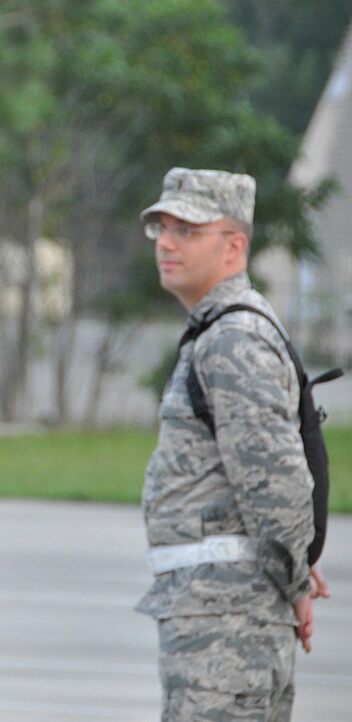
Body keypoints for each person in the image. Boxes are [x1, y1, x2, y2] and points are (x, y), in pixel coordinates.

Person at [136, 167, 329, 720]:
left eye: (188, 230)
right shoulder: (221, 331)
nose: (167, 244)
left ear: (234, 245)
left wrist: (294, 581)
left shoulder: (232, 340)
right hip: (219, 615)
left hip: (226, 627)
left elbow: (277, 480)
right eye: (162, 228)